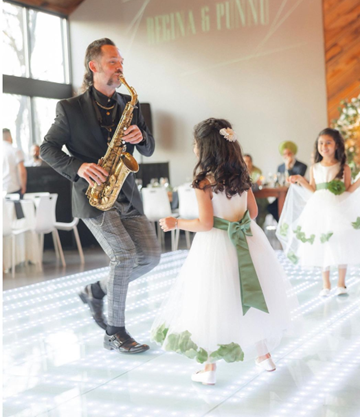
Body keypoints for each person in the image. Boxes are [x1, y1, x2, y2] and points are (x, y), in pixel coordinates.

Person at [151, 118, 297, 385]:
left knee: (211, 302)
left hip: (216, 246)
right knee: (249, 294)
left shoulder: (203, 182)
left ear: (206, 148)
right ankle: (265, 357)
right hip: (248, 242)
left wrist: (176, 223)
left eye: (196, 144)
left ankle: (208, 370)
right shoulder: (241, 174)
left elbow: (206, 223)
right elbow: (252, 213)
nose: (194, 149)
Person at [40, 38, 161, 354]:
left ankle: (96, 291)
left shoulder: (129, 104)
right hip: (93, 196)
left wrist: (142, 136)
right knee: (124, 255)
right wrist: (79, 167)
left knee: (150, 257)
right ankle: (114, 331)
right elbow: (47, 149)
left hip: (127, 195)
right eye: (112, 61)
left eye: (120, 61)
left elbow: (149, 147)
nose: (120, 67)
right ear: (93, 66)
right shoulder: (69, 108)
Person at [276, 128, 360, 297]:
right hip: (319, 208)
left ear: (336, 145)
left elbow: (348, 189)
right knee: (322, 242)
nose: (324, 146)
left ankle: (341, 283)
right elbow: (313, 189)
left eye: (328, 143)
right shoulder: (314, 167)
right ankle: (326, 284)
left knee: (341, 241)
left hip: (339, 207)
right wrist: (300, 180)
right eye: (321, 143)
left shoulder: (344, 167)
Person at [267, 141, 307, 222]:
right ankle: (282, 224)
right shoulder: (280, 167)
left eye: (289, 153)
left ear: (293, 154)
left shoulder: (302, 166)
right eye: (285, 154)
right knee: (271, 207)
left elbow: (295, 181)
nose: (287, 156)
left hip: (296, 194)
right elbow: (278, 181)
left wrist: (288, 168)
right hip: (282, 194)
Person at [243, 154, 267, 228]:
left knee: (261, 205)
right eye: (245, 161)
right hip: (245, 200)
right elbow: (249, 186)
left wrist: (255, 185)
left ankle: (260, 227)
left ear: (252, 162)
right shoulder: (239, 173)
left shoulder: (257, 171)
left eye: (249, 161)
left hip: (258, 197)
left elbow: (258, 183)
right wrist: (255, 184)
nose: (247, 163)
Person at [2, 128, 27, 196]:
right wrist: (23, 187)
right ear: (10, 137)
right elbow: (22, 171)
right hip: (13, 189)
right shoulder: (15, 151)